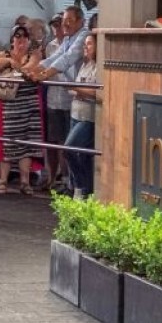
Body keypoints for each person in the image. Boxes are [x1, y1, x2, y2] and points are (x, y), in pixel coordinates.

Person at [0, 24, 43, 196]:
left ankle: (25, 182)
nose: (21, 41)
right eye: (18, 37)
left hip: (29, 105)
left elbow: (30, 68)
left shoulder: (34, 54)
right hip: (9, 107)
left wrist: (15, 65)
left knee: (27, 144)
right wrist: (8, 61)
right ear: (12, 40)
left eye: (24, 38)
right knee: (7, 143)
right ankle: (2, 180)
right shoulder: (5, 54)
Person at [64, 32, 98, 198]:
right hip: (76, 113)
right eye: (85, 44)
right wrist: (77, 89)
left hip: (88, 117)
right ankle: (87, 191)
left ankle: (80, 186)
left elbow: (96, 92)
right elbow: (77, 88)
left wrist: (77, 89)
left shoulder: (99, 67)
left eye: (90, 44)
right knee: (83, 154)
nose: (86, 48)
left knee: (68, 149)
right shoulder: (85, 65)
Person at [43, 12, 71, 192]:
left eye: (58, 24)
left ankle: (66, 178)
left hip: (69, 99)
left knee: (65, 143)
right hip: (53, 99)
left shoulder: (72, 44)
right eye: (53, 25)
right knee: (53, 142)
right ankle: (52, 177)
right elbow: (48, 66)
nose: (56, 28)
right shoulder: (50, 46)